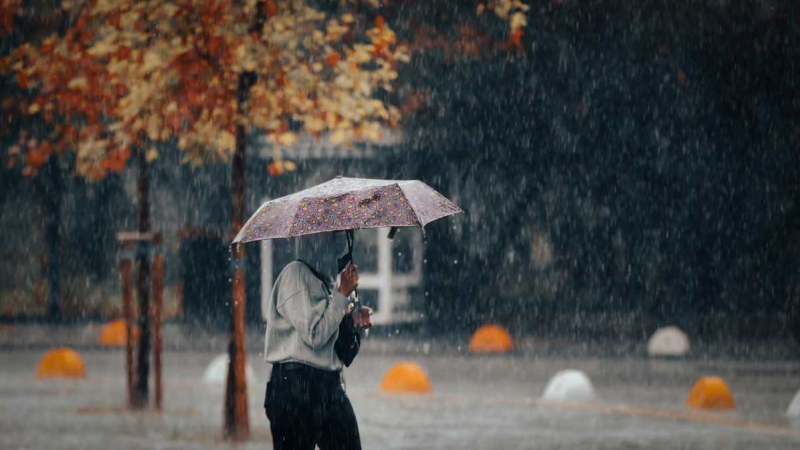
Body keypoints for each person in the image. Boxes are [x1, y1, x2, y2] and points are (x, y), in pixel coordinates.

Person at [263, 231, 372, 450]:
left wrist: (355, 324)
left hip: (329, 386)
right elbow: (315, 335)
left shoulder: (330, 282)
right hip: (295, 386)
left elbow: (339, 348)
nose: (340, 244)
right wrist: (341, 295)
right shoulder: (294, 276)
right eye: (334, 236)